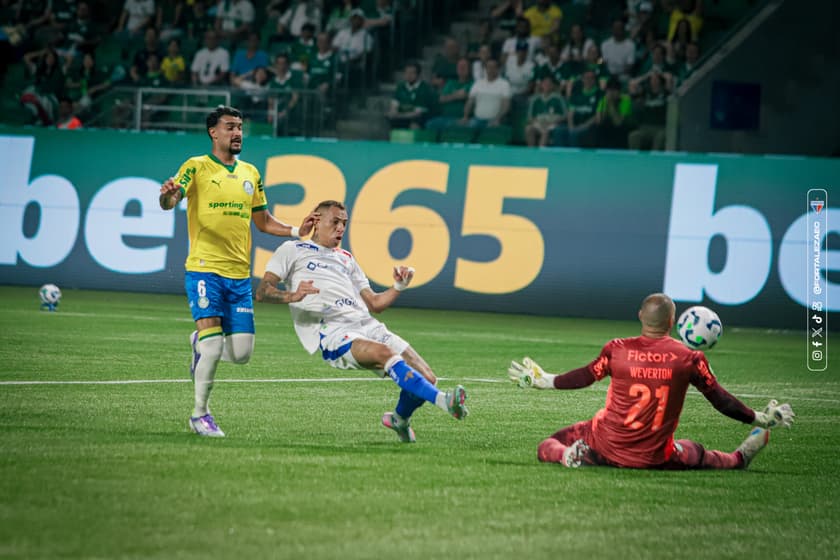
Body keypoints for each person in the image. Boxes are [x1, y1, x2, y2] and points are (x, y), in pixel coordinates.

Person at [158, 105, 318, 437]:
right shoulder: (196, 166)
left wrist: (296, 231)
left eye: (240, 127)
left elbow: (263, 221)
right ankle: (200, 415)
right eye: (230, 127)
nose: (237, 133)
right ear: (213, 132)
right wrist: (168, 197)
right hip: (204, 269)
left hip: (239, 275)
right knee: (214, 347)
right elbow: (171, 200)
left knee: (242, 354)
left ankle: (199, 345)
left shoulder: (250, 173)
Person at [256, 200, 469, 443]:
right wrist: (292, 296)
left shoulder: (346, 258)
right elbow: (262, 291)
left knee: (427, 378)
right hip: (333, 330)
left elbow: (375, 304)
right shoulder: (292, 249)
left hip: (367, 325)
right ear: (316, 220)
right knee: (385, 354)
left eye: (344, 223)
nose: (340, 228)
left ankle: (399, 419)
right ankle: (444, 401)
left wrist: (398, 286)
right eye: (335, 222)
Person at [508, 293, 795, 469]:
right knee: (697, 453)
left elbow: (585, 376)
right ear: (672, 322)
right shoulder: (689, 359)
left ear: (640, 317)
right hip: (655, 456)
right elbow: (720, 400)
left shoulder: (617, 349)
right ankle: (740, 457)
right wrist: (760, 417)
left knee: (549, 444)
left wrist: (546, 380)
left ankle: (567, 455)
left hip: (604, 445)